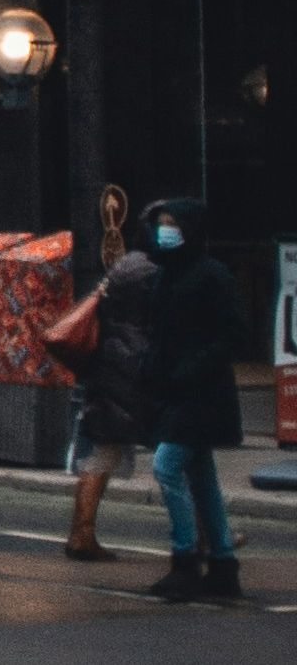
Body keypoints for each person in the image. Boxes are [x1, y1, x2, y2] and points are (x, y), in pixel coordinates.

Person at [133, 197, 248, 601]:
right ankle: (222, 562)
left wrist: (192, 367)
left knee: (167, 467)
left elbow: (233, 333)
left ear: (190, 230)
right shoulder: (166, 274)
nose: (165, 232)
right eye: (162, 224)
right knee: (202, 480)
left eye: (172, 225)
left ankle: (185, 559)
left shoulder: (211, 275)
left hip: (202, 393)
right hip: (177, 391)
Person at [61, 244, 158, 561]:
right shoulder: (160, 272)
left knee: (104, 452)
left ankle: (81, 533)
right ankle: (207, 538)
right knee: (180, 455)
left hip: (107, 369)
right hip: (140, 372)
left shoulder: (121, 270)